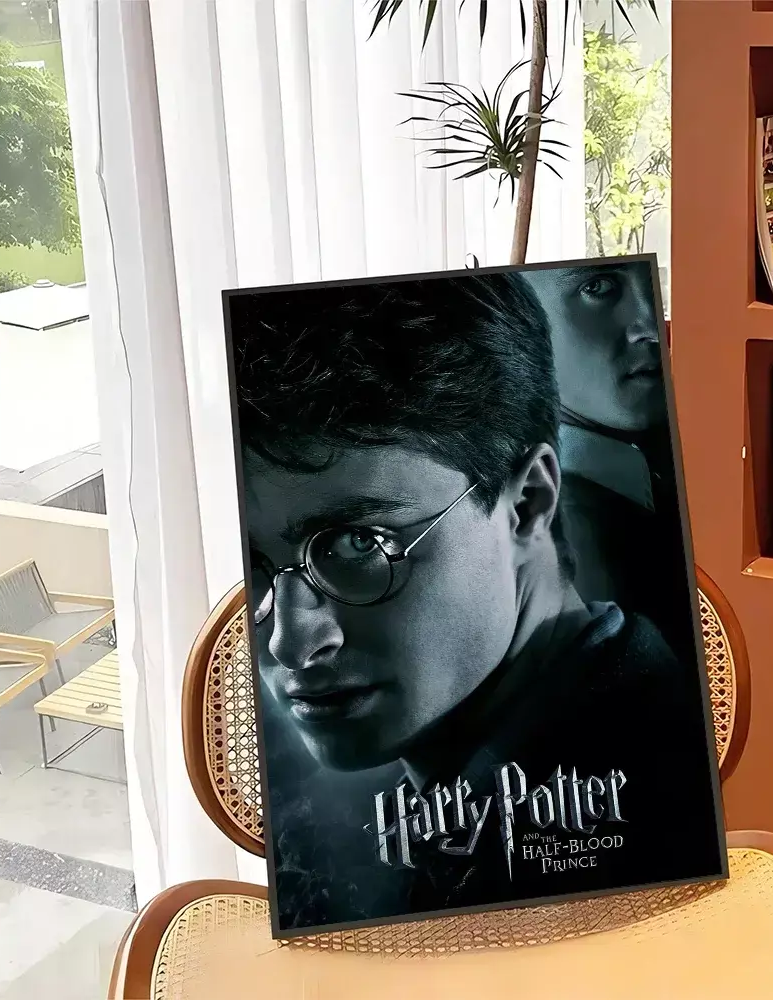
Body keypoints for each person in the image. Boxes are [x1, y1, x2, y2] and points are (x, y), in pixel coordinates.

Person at [229, 272, 721, 928]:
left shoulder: (650, 814)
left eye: (358, 543)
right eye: (256, 567)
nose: (291, 643)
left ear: (528, 503)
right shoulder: (424, 804)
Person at [519, 261, 694, 657]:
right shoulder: (563, 543)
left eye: (653, 286)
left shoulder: (664, 462)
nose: (651, 327)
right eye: (597, 287)